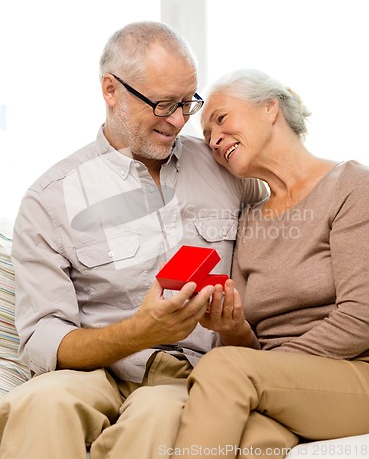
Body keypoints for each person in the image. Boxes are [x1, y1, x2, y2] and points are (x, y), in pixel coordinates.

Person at [0, 25, 266, 459]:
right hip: (97, 370)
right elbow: (42, 338)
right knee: (39, 403)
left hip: (193, 374)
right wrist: (140, 332)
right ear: (110, 90)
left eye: (186, 103)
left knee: (159, 416)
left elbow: (291, 199)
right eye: (163, 104)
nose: (179, 121)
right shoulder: (51, 198)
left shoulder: (226, 171)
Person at [171, 69, 369, 458]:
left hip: (354, 373)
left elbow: (362, 316)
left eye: (221, 119)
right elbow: (247, 344)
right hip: (277, 383)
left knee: (224, 368)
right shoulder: (248, 221)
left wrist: (257, 365)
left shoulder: (351, 185)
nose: (213, 140)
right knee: (250, 443)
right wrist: (234, 331)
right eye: (208, 137)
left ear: (270, 107)